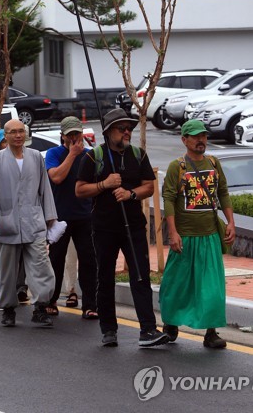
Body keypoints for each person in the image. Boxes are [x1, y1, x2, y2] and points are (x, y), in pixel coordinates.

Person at [76, 108, 169, 348]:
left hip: (134, 226)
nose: (127, 132)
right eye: (121, 128)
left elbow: (149, 186)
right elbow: (80, 190)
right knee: (105, 278)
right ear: (108, 132)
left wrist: (130, 194)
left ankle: (148, 330)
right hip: (104, 227)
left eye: (129, 128)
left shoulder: (138, 155)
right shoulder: (93, 157)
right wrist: (104, 184)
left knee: (141, 276)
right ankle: (108, 329)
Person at [159, 119, 236, 349]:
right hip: (185, 237)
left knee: (212, 288)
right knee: (176, 285)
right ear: (184, 140)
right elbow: (169, 199)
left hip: (210, 236)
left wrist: (231, 222)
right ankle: (171, 323)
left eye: (203, 135)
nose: (201, 140)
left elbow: (223, 193)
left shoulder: (214, 163)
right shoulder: (177, 166)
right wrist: (172, 233)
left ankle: (211, 332)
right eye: (195, 136)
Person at [0, 119, 57, 328]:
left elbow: (45, 189)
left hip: (33, 220)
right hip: (6, 221)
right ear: (5, 136)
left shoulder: (35, 157)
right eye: (13, 132)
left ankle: (41, 307)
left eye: (21, 131)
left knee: (41, 265)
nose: (18, 135)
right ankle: (8, 308)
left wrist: (50, 216)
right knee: (7, 269)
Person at [45, 115, 97, 318]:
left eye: (77, 133)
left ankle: (90, 305)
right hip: (60, 218)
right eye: (70, 135)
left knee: (89, 260)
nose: (75, 138)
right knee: (56, 259)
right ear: (63, 136)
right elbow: (56, 177)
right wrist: (72, 155)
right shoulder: (54, 153)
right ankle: (51, 300)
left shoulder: (91, 155)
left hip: (85, 217)